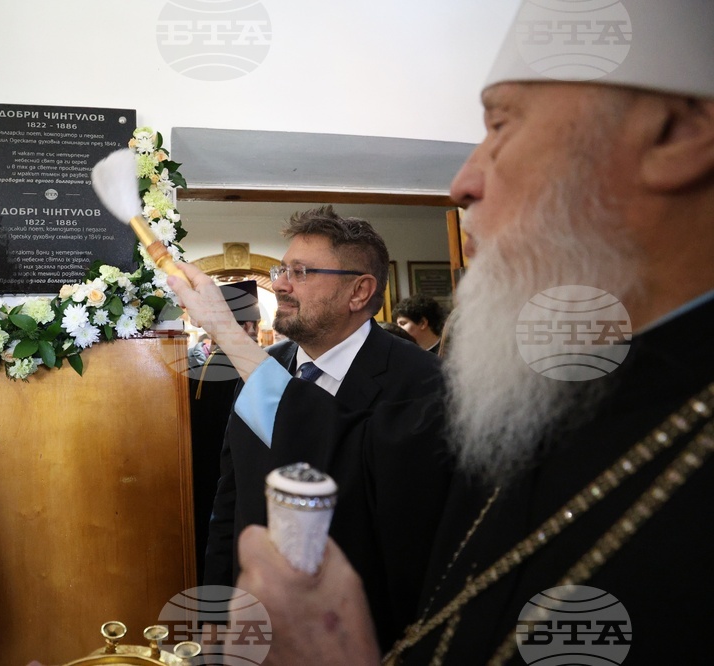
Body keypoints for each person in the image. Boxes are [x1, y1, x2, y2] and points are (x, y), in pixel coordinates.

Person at [167, 2, 714, 663]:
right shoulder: (538, 394)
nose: (462, 181)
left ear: (676, 134)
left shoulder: (423, 387)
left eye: (501, 126)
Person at [198, 207, 446, 646]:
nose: (279, 284)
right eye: (280, 269)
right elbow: (232, 495)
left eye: (301, 271)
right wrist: (217, 607)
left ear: (359, 291)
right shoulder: (266, 367)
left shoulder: (421, 382)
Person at [189, 281, 261, 582]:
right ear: (247, 326)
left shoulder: (202, 368)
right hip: (239, 486)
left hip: (200, 478)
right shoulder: (249, 368)